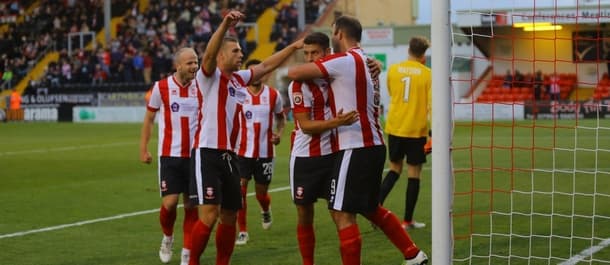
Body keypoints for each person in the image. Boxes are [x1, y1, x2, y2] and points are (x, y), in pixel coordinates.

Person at [287, 16, 428, 265]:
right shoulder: (366, 61)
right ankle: (413, 254)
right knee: (370, 206)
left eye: (332, 33)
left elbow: (294, 72)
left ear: (339, 34)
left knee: (342, 213)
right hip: (373, 143)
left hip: (355, 144)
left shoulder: (344, 61)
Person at [188, 11, 303, 265]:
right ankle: (191, 261)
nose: (241, 55)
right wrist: (225, 24)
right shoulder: (208, 76)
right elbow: (207, 55)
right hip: (207, 153)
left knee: (230, 214)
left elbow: (266, 66)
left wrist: (293, 46)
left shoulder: (239, 80)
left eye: (241, 51)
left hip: (231, 156)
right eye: (236, 51)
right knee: (208, 215)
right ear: (221, 56)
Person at [288, 31, 360, 265]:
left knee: (341, 213)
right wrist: (337, 122)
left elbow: (357, 63)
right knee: (304, 215)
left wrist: (374, 64)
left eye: (314, 53)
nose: (309, 58)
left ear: (327, 53)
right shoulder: (298, 85)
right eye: (306, 53)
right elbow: (306, 126)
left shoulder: (336, 76)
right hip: (305, 159)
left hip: (333, 156)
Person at [139, 47, 201, 265]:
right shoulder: (161, 87)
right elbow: (149, 119)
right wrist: (143, 148)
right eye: (190, 63)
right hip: (170, 155)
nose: (195, 67)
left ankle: (186, 255)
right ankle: (167, 237)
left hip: (196, 156)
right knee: (170, 203)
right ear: (178, 66)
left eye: (196, 62)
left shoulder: (202, 86)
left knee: (192, 207)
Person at [378, 36, 432, 231]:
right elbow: (432, 106)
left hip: (394, 127)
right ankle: (407, 221)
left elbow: (393, 93)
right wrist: (432, 134)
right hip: (415, 130)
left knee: (394, 169)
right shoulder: (428, 74)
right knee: (414, 173)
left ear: (409, 50)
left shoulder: (393, 69)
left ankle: (374, 210)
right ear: (424, 54)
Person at [234, 59, 286, 245]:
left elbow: (281, 119)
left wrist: (279, 134)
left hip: (265, 153)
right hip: (241, 152)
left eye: (258, 72)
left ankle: (265, 210)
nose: (256, 76)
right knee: (239, 192)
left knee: (261, 194)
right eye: (251, 72)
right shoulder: (239, 95)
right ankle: (243, 232)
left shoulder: (273, 95)